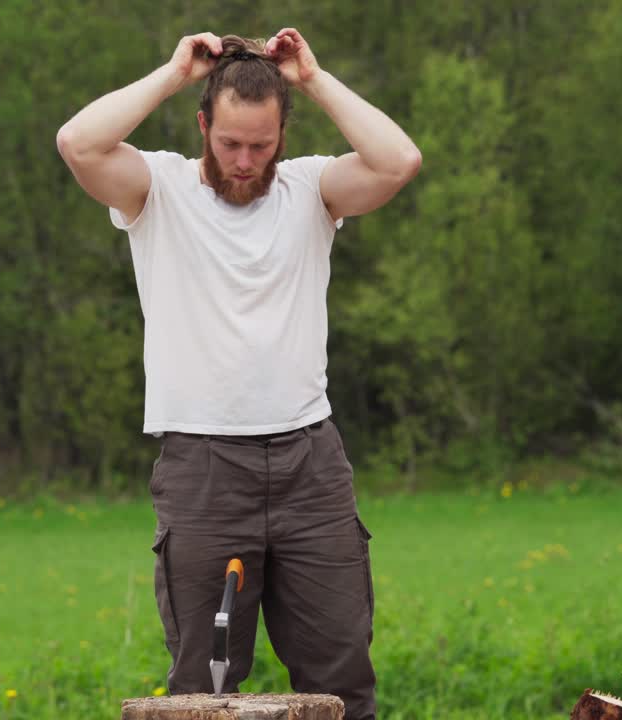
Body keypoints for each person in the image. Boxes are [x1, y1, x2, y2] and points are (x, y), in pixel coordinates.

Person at [56, 28, 420, 720]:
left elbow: (399, 159)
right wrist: (172, 73)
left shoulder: (314, 189)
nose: (246, 161)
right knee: (205, 687)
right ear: (203, 125)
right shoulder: (156, 190)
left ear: (284, 133)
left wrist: (311, 77)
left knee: (341, 681)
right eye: (229, 143)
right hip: (203, 465)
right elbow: (78, 143)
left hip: (311, 464)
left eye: (261, 144)